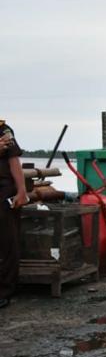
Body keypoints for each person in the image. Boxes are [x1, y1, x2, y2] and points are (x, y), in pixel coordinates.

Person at [0, 120, 29, 310]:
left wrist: (22, 191)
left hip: (3, 190)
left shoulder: (3, 129)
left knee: (7, 242)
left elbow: (13, 161)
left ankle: (4, 291)